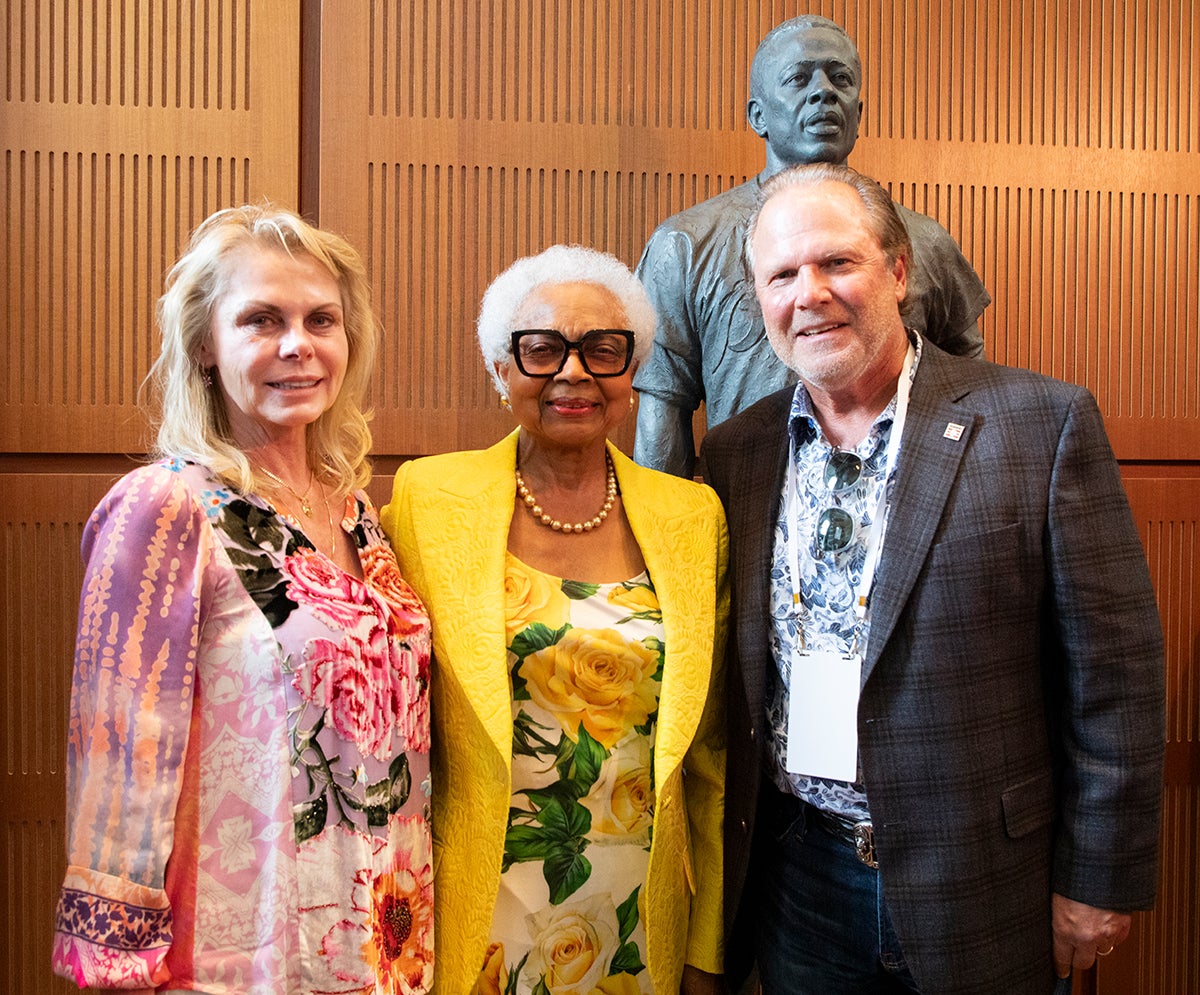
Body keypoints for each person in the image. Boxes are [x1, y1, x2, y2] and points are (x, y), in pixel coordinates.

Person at [701, 163, 1164, 993]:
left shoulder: (1040, 425)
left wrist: (1098, 876)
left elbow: (1117, 677)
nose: (810, 293)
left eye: (837, 262)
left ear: (900, 272)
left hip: (984, 879)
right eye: (782, 275)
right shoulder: (738, 450)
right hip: (800, 875)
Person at [51, 205, 434, 994]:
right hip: (239, 958)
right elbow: (118, 752)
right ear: (204, 344)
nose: (297, 345)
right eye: (262, 319)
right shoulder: (164, 507)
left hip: (386, 944)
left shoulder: (359, 512)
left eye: (320, 319)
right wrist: (119, 964)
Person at [381, 245, 728, 995]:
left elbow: (711, 758)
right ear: (501, 369)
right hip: (478, 906)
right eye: (542, 349)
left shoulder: (693, 518)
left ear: (631, 370)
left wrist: (708, 944)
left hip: (636, 905)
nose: (574, 371)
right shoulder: (425, 503)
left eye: (603, 349)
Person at [633, 15, 992, 478]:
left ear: (858, 114)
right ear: (757, 115)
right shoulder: (684, 245)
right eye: (798, 79)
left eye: (840, 78)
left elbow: (972, 388)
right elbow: (662, 413)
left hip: (901, 510)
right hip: (751, 511)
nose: (824, 92)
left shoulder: (926, 243)